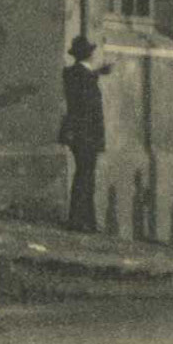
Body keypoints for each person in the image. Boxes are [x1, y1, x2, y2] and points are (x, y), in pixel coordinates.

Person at [58, 35, 113, 233]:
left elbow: (82, 79)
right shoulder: (82, 76)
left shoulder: (75, 73)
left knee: (85, 175)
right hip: (86, 134)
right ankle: (79, 220)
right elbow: (85, 98)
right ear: (88, 54)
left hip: (80, 134)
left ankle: (85, 220)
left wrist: (98, 72)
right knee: (85, 176)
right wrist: (98, 72)